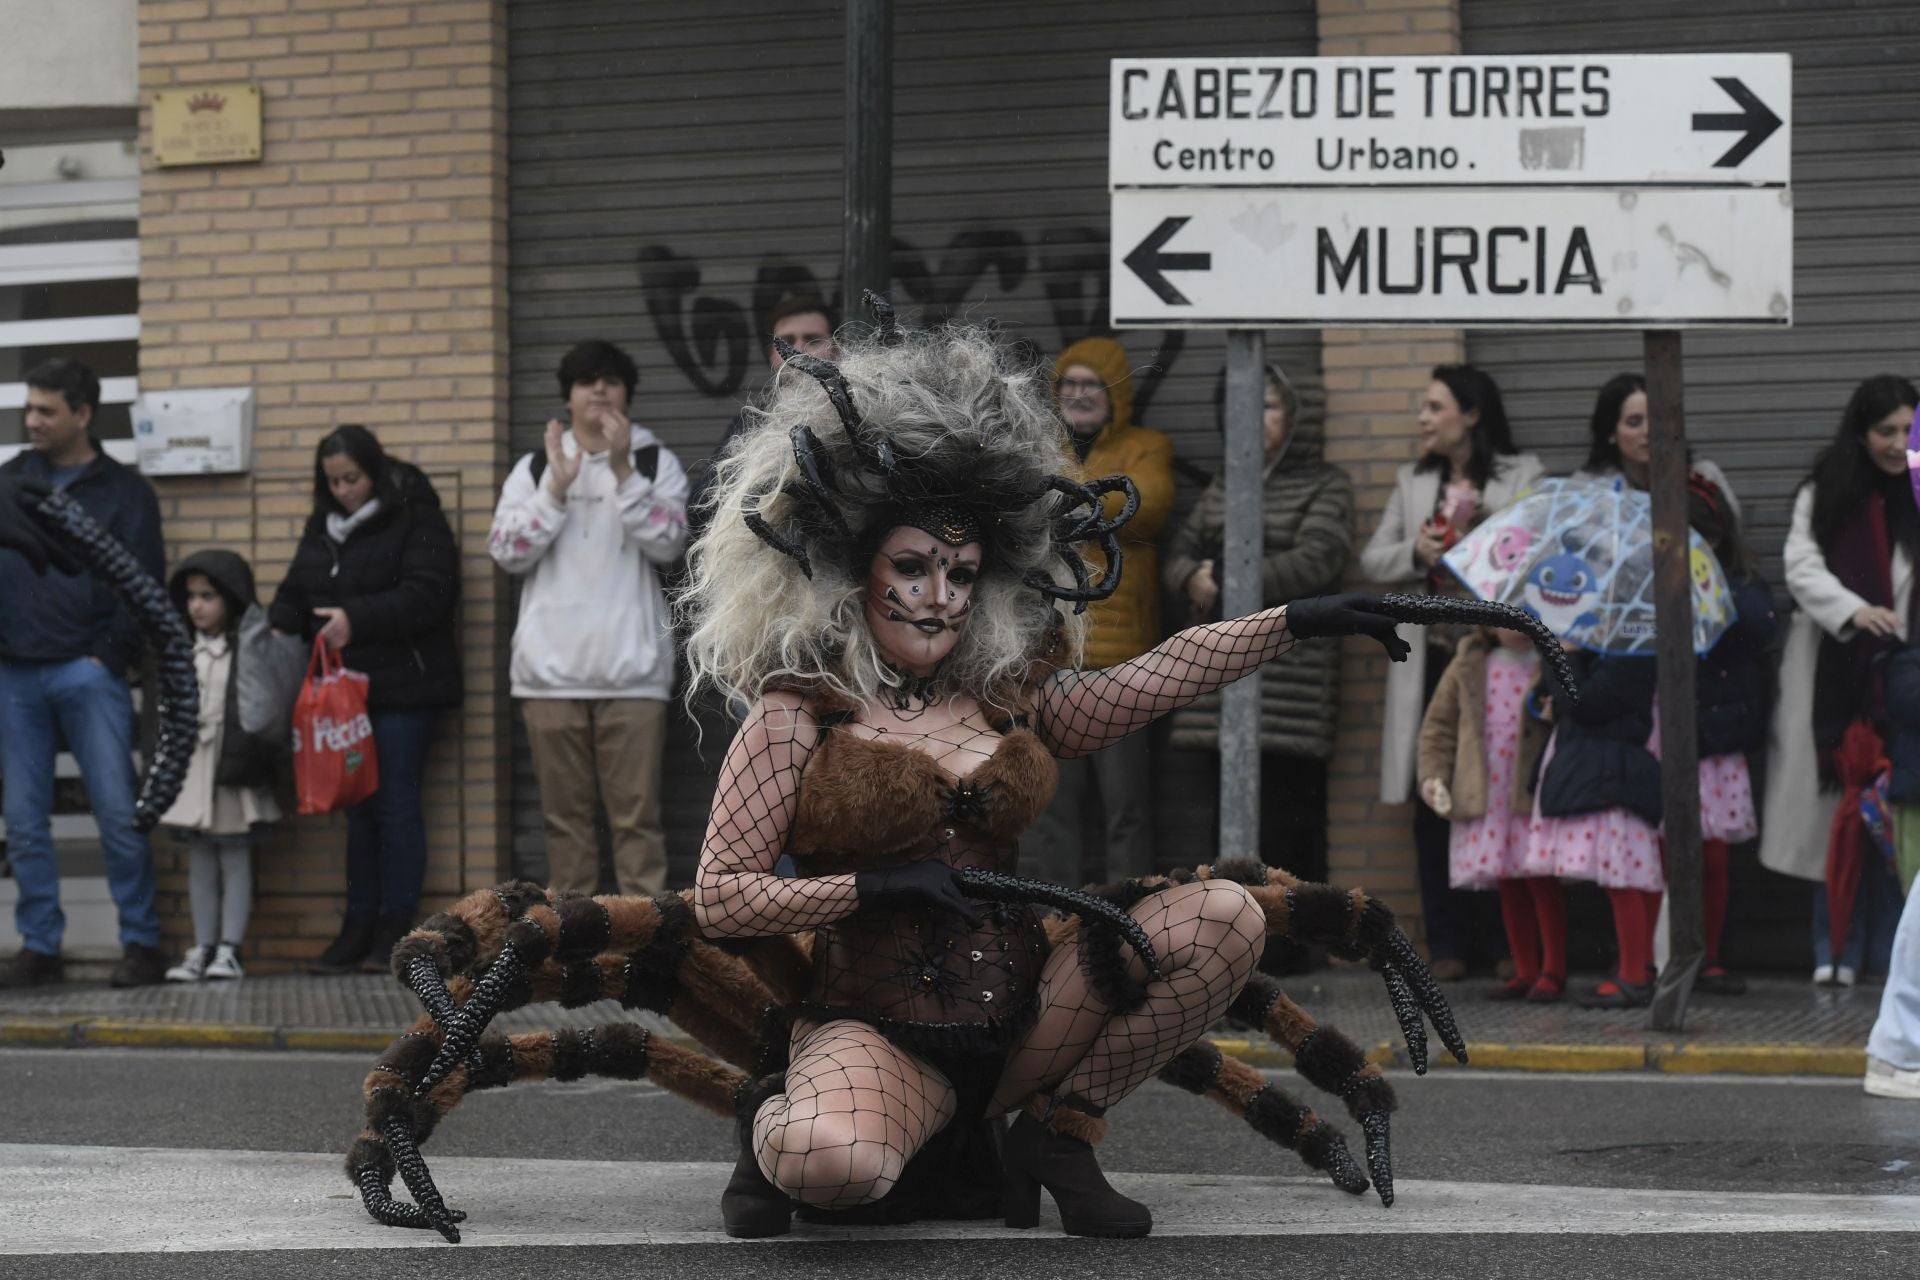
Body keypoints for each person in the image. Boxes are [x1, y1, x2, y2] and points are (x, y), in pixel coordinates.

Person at [684, 318, 1412, 1239]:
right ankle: (770, 1123)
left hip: (1034, 1019)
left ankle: (1059, 1135)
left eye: (961, 572)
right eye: (911, 567)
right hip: (878, 1036)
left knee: (1225, 915)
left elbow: (1161, 671)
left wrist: (1297, 620)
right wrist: (869, 884)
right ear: (851, 572)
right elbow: (719, 900)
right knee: (836, 1168)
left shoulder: (1008, 699)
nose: (939, 594)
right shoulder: (799, 714)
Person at [1360, 364, 1544, 979]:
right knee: (1432, 794)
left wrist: (1474, 534)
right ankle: (1447, 944)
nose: (1423, 418)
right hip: (1433, 656)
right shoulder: (1414, 482)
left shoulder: (1523, 476)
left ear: (1471, 414)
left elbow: (1537, 549)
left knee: (1495, 793)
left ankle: (1501, 944)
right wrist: (1418, 550)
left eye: (1435, 407)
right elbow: (1373, 558)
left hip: (1497, 656)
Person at [488, 340, 689, 897]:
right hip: (550, 677)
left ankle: (644, 953)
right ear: (568, 398)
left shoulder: (653, 461)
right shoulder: (535, 467)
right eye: (585, 381)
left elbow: (670, 542)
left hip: (633, 676)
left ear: (627, 394)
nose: (598, 389)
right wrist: (556, 486)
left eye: (610, 380)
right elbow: (507, 550)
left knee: (637, 825)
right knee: (564, 824)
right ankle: (573, 954)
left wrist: (623, 471)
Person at [0, 358, 169, 989]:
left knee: (117, 813)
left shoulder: (124, 492)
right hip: (15, 674)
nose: (32, 420)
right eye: (29, 408)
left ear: (83, 413)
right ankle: (40, 946)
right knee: (22, 820)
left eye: (47, 410)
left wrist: (109, 653)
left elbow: (144, 581)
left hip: (88, 671)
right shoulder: (11, 480)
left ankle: (141, 942)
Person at [270, 425, 463, 975]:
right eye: (332, 482)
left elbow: (430, 592)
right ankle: (357, 924)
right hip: (344, 695)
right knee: (357, 811)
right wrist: (278, 626)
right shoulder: (322, 525)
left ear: (374, 472)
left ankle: (396, 928)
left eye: (352, 478)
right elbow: (296, 588)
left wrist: (357, 619)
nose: (343, 491)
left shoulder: (416, 514)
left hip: (404, 687)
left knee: (396, 806)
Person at [1162, 362, 1353, 892]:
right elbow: (1180, 553)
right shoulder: (1226, 483)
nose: (1251, 418)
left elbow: (1316, 561)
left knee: (1286, 822)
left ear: (1294, 419)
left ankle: (1291, 946)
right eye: (1244, 406)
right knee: (1221, 826)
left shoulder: (1326, 486)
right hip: (1219, 680)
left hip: (1289, 688)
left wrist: (1222, 579)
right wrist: (1190, 579)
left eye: (1266, 406)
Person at [1760, 375, 1919, 985]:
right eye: (1886, 431)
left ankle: (1890, 958)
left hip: (1906, 681)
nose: (1898, 444)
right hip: (1837, 672)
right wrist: (1854, 610)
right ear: (1861, 432)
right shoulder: (1826, 491)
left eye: (1909, 430)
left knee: (1897, 814)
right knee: (1840, 819)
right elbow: (1800, 566)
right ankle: (1834, 954)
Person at [1024, 336, 1174, 886]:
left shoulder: (1146, 447)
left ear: (1117, 395)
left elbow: (1146, 503)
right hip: (1052, 654)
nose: (1080, 395)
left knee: (1125, 808)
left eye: (1093, 385)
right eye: (1070, 383)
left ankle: (1128, 917)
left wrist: (1063, 497)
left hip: (1123, 663)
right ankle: (1057, 921)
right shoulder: (1040, 446)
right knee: (1053, 807)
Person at [158, 552, 281, 981]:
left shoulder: (248, 647)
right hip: (195, 768)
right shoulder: (180, 649)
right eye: (190, 597)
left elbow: (261, 707)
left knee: (234, 855)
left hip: (233, 767)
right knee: (200, 860)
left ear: (230, 599)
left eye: (208, 596)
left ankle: (230, 948)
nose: (197, 606)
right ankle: (203, 945)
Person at [1418, 626, 1558, 1001]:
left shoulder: (1554, 661)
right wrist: (1433, 776)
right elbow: (1439, 727)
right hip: (1489, 790)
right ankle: (1524, 969)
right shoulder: (1469, 662)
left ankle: (1553, 969)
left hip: (1535, 789)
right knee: (1508, 878)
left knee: (1541, 879)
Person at [1523, 647, 1664, 1008]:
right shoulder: (1592, 651)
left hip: (1613, 771)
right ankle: (1635, 973)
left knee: (1623, 875)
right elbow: (1555, 698)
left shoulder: (1633, 651)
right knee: (1618, 876)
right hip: (1591, 767)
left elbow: (1584, 702)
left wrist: (1563, 659)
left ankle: (1634, 977)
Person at [1686, 475, 1775, 995]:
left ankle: (1711, 954)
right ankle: (1664, 954)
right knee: (1659, 857)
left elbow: (1762, 627)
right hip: (1659, 735)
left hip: (1716, 740)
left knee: (1714, 855)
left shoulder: (1739, 583)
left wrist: (1714, 585)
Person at [690, 296, 839, 533]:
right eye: (787, 341)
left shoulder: (857, 415)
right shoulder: (750, 423)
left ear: (835, 349)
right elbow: (702, 507)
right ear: (772, 354)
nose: (798, 349)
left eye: (812, 340)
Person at [1575, 371, 1743, 520]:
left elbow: (1732, 538)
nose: (1648, 431)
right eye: (1634, 422)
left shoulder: (1704, 476)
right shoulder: (1587, 488)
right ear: (1610, 432)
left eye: (1657, 420)